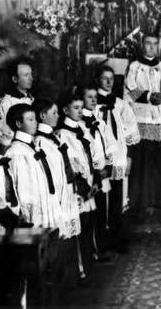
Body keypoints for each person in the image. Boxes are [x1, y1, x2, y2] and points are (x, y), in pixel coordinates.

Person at [124, 35, 161, 209]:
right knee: (143, 161)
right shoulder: (134, 67)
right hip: (141, 117)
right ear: (142, 45)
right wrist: (149, 96)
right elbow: (130, 90)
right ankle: (142, 201)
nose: (151, 47)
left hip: (160, 120)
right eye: (148, 43)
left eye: (155, 44)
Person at [94, 68, 140, 247]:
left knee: (117, 195)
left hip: (119, 156)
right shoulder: (92, 104)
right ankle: (101, 239)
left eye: (111, 79)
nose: (108, 82)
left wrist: (128, 157)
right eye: (104, 78)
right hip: (101, 156)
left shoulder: (120, 104)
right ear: (97, 80)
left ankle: (117, 234)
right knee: (101, 197)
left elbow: (131, 132)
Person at [56, 93, 97, 278]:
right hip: (78, 189)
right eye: (76, 108)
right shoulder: (63, 134)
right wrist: (84, 187)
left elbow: (90, 155)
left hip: (88, 184)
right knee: (80, 229)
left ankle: (89, 266)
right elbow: (69, 165)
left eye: (82, 107)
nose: (80, 111)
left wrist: (94, 179)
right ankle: (80, 270)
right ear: (65, 110)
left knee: (88, 227)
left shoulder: (81, 128)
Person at [5, 104, 64, 228]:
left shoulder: (32, 147)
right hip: (34, 211)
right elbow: (22, 187)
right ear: (18, 124)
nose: (36, 123)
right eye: (30, 119)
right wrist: (28, 215)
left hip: (46, 202)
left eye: (35, 119)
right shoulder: (16, 151)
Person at [33, 98, 81, 239]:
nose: (58, 116)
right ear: (42, 115)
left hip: (66, 192)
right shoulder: (40, 142)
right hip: (56, 196)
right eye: (54, 113)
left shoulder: (55, 138)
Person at [79, 85, 117, 258]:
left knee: (103, 211)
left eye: (95, 97)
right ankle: (94, 251)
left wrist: (108, 166)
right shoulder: (80, 125)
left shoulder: (100, 122)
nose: (94, 100)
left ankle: (101, 247)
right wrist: (96, 171)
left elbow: (110, 144)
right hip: (92, 174)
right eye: (89, 97)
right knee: (92, 213)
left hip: (103, 172)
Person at [0, 57, 34, 146]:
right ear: (15, 79)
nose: (31, 78)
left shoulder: (32, 99)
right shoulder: (6, 102)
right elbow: (5, 134)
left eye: (31, 75)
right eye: (26, 75)